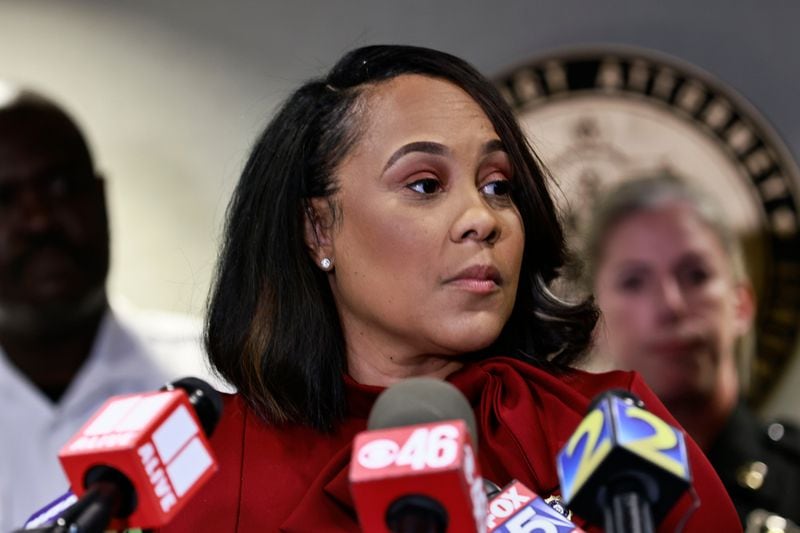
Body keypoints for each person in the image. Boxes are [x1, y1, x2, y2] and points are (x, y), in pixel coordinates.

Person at [160, 45, 739, 532]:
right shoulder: (200, 465)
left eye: (497, 186)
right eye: (424, 184)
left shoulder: (605, 427)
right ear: (318, 229)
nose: (481, 218)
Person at [0, 85, 211, 532]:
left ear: (99, 197)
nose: (39, 220)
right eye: (3, 199)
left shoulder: (220, 378)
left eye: (59, 186)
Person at [582, 172, 800, 527]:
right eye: (633, 281)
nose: (670, 304)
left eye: (696, 275)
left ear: (741, 305)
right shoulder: (559, 503)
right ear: (594, 322)